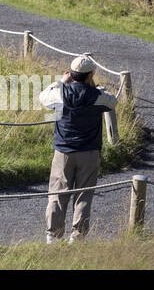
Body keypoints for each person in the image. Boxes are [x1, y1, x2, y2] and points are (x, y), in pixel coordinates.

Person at [38, 55, 118, 244]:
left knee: (57, 194)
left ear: (71, 74)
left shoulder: (60, 94)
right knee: (84, 195)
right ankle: (78, 236)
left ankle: (52, 235)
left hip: (63, 151)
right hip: (89, 152)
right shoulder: (97, 96)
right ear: (90, 75)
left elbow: (43, 98)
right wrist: (94, 85)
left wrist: (60, 82)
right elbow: (112, 102)